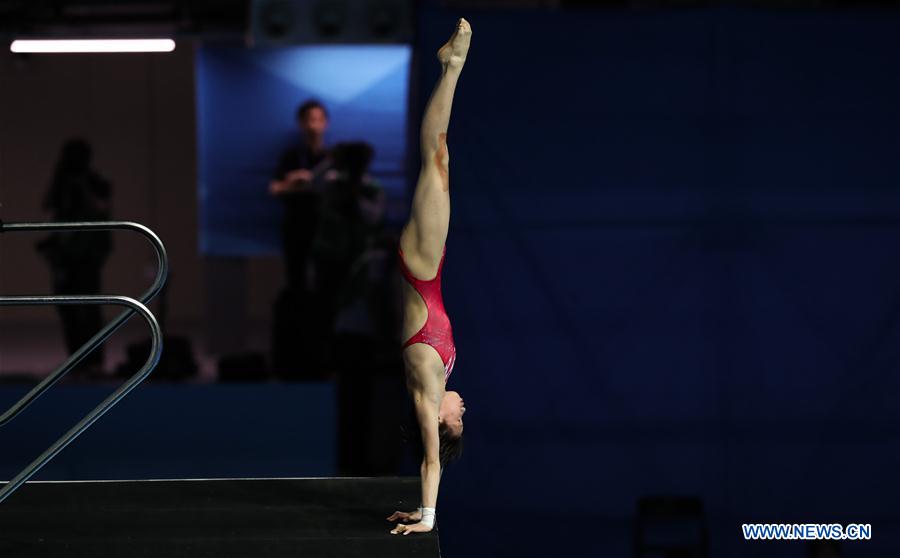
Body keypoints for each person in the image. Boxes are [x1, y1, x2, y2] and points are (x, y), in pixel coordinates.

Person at [385, 18, 471, 536]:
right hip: (427, 269)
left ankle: (451, 67)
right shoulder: (441, 379)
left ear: (441, 421)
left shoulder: (425, 397)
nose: (464, 409)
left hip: (419, 270)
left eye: (460, 418)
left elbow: (430, 462)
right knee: (439, 160)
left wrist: (428, 517)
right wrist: (419, 512)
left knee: (435, 159)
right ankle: (450, 69)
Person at [36, 138, 112, 376]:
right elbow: (49, 209)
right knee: (67, 307)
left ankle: (94, 360)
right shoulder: (61, 183)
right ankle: (76, 359)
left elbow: (102, 209)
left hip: (88, 255)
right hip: (64, 256)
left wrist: (83, 187)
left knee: (89, 308)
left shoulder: (95, 182)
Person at [269, 99, 331, 292]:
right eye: (310, 120)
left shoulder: (331, 158)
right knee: (296, 279)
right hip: (296, 226)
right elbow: (274, 188)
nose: (314, 126)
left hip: (324, 227)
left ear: (325, 123)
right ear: (301, 123)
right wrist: (294, 183)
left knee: (324, 279)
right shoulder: (291, 157)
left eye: (319, 119)